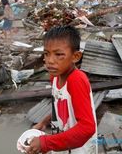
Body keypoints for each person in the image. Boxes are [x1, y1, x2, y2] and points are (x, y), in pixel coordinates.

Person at [25, 26, 97, 154]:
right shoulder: (55, 76)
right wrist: (44, 121)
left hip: (79, 149)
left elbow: (87, 128)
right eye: (46, 53)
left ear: (75, 56)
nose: (50, 61)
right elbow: (60, 105)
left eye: (59, 54)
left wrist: (45, 142)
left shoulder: (76, 80)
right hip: (64, 141)